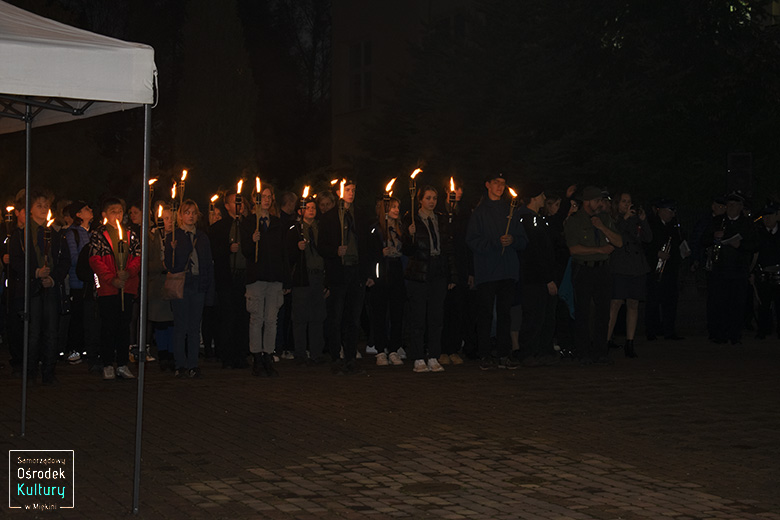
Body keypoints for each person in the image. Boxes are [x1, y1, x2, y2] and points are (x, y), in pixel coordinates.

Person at [466, 173, 528, 370]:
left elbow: (523, 240)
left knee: (505, 314)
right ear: (487, 185)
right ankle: (484, 353)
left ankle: (503, 353)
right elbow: (472, 240)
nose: (500, 187)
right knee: (485, 313)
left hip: (507, 270)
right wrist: (494, 243)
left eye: (503, 183)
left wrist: (513, 241)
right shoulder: (480, 212)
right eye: (496, 183)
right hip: (487, 271)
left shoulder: (512, 211)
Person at [9, 189, 71, 384]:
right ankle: (30, 370)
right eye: (39, 206)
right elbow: (16, 261)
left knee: (51, 331)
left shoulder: (55, 233)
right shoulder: (20, 235)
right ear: (29, 210)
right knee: (33, 331)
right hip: (31, 289)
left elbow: (64, 260)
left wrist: (53, 278)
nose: (43, 209)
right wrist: (35, 272)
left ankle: (49, 370)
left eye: (46, 206)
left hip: (50, 287)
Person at [564, 186, 623, 365]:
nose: (601, 204)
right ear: (587, 202)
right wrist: (598, 249)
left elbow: (618, 242)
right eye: (597, 200)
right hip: (584, 269)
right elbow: (574, 249)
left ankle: (600, 351)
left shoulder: (604, 218)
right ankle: (582, 352)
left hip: (602, 269)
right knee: (582, 311)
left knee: (603, 311)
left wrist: (602, 228)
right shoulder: (574, 221)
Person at [318, 178, 371, 375]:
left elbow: (367, 244)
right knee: (335, 317)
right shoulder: (330, 217)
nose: (351, 193)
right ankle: (335, 357)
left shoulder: (359, 215)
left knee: (353, 318)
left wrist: (367, 273)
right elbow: (321, 245)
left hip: (355, 272)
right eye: (348, 189)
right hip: (338, 272)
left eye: (353, 190)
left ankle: (350, 358)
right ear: (340, 191)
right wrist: (334, 251)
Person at [402, 186, 456, 373]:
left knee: (436, 316)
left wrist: (451, 274)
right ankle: (418, 357)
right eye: (428, 198)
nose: (432, 201)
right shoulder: (411, 219)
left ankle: (433, 355)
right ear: (420, 200)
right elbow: (407, 250)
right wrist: (408, 236)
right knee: (418, 316)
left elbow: (448, 248)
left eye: (434, 198)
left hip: (438, 271)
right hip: (419, 272)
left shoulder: (440, 219)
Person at [89, 197, 139, 380]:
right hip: (108, 289)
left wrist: (128, 272)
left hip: (127, 287)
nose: (117, 215)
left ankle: (123, 363)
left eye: (119, 211)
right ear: (105, 215)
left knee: (124, 326)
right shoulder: (98, 235)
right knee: (109, 325)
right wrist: (111, 279)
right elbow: (95, 261)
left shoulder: (130, 234)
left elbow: (137, 256)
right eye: (113, 211)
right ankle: (108, 362)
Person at [241, 185, 288, 377]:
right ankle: (257, 357)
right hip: (257, 278)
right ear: (255, 199)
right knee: (256, 318)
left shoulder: (277, 223)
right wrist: (252, 241)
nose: (266, 200)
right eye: (263, 197)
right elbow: (246, 252)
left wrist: (286, 281)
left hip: (274, 278)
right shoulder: (250, 223)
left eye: (269, 197)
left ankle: (268, 355)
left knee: (271, 319)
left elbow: (283, 253)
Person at [165, 199, 214, 378]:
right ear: (181, 215)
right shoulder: (174, 236)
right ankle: (180, 364)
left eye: (193, 213)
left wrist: (208, 289)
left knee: (194, 327)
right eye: (187, 212)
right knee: (181, 326)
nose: (191, 216)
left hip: (198, 284)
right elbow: (171, 266)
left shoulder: (202, 237)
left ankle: (193, 363)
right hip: (182, 284)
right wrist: (171, 250)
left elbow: (207, 264)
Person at [703, 191, 758, 345]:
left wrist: (740, 245)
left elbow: (755, 245)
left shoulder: (748, 224)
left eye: (734, 205)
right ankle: (719, 333)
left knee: (737, 304)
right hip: (720, 269)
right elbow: (704, 240)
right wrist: (714, 236)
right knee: (719, 303)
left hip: (738, 270)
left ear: (741, 207)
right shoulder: (718, 221)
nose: (731, 207)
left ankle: (735, 334)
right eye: (729, 205)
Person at [516, 182, 560, 366]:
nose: (544, 198)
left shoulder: (535, 219)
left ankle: (539, 350)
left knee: (540, 314)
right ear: (534, 198)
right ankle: (528, 352)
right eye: (541, 195)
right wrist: (547, 278)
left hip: (535, 277)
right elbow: (537, 252)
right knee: (534, 315)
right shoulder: (529, 220)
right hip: (534, 278)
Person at [606, 192, 652, 358]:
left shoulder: (635, 218)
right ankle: (605, 340)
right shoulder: (614, 219)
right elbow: (614, 235)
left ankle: (630, 342)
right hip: (620, 265)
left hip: (637, 266)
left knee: (633, 303)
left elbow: (648, 238)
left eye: (629, 201)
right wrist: (624, 219)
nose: (627, 204)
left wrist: (643, 219)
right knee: (616, 303)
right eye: (624, 201)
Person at [208, 190, 250, 369]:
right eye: (234, 202)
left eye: (240, 202)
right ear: (227, 206)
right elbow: (214, 252)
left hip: (244, 277)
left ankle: (242, 354)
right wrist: (227, 249)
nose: (238, 206)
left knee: (243, 317)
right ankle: (226, 355)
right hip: (226, 278)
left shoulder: (248, 225)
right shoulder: (219, 227)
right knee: (227, 317)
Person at [288, 195, 328, 364]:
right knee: (300, 317)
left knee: (317, 316)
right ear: (300, 211)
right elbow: (288, 256)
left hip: (319, 276)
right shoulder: (294, 230)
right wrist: (296, 248)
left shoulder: (322, 229)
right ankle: (300, 352)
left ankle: (316, 352)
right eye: (308, 207)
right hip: (303, 277)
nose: (311, 210)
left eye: (313, 207)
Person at [368, 196, 405, 366]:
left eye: (397, 207)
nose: (396, 210)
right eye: (393, 207)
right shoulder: (376, 229)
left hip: (397, 272)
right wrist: (379, 254)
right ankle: (380, 349)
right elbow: (369, 252)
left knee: (397, 312)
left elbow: (408, 250)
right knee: (380, 313)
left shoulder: (400, 228)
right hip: (381, 274)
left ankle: (394, 349)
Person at [440, 179, 473, 364]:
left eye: (461, 188)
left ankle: (453, 348)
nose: (458, 192)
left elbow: (467, 243)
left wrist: (470, 271)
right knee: (444, 308)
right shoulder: (440, 211)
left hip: (460, 266)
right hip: (444, 267)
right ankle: (442, 348)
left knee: (458, 308)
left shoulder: (465, 213)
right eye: (455, 188)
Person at [644, 198, 685, 341]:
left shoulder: (673, 227)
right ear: (660, 210)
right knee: (653, 300)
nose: (672, 214)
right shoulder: (651, 224)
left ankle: (669, 330)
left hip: (670, 269)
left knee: (670, 300)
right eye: (669, 211)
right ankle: (652, 330)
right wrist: (656, 253)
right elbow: (645, 244)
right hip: (655, 269)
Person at [149, 203, 175, 371]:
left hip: (173, 283)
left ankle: (172, 354)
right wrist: (161, 266)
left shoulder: (176, 236)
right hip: (157, 284)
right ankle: (163, 354)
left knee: (172, 320)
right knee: (160, 321)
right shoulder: (151, 238)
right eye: (165, 219)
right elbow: (148, 262)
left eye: (171, 218)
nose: (169, 222)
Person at [753, 202, 780, 339]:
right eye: (764, 216)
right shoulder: (759, 233)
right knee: (763, 304)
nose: (766, 219)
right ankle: (763, 329)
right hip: (763, 273)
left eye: (770, 215)